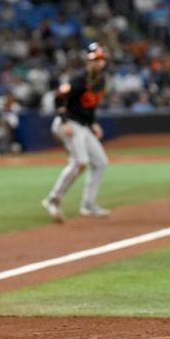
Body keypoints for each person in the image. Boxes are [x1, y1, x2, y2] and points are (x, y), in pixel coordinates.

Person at [41, 43, 110, 223]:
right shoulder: (79, 78)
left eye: (101, 59)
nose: (98, 63)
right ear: (88, 61)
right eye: (95, 59)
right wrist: (64, 122)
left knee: (101, 162)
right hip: (69, 123)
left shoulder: (101, 81)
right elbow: (59, 98)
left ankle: (88, 204)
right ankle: (52, 199)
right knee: (80, 162)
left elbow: (91, 105)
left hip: (83, 125)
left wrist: (93, 123)